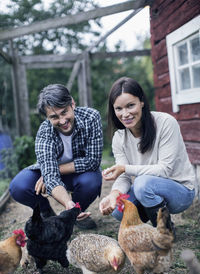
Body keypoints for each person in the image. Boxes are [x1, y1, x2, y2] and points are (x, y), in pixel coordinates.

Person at [99, 77, 196, 229]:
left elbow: (165, 169)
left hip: (180, 191)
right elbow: (123, 177)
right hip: (147, 190)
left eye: (130, 106)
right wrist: (113, 195)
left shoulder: (165, 123)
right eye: (119, 109)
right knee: (119, 209)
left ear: (142, 102)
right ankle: (154, 219)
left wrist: (125, 168)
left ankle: (165, 230)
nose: (125, 114)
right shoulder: (119, 137)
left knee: (142, 184)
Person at [10, 83, 103, 229]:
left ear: (72, 103)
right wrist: (67, 203)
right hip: (50, 172)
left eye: (64, 112)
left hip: (80, 173)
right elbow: (51, 177)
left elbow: (92, 161)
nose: (62, 121)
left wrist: (52, 171)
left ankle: (78, 213)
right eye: (54, 117)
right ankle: (46, 212)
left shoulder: (91, 117)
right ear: (47, 117)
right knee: (18, 186)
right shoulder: (44, 133)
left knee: (91, 181)